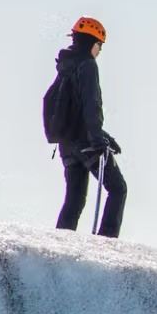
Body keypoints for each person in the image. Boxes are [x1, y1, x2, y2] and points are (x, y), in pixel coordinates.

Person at [47, 16, 126, 236]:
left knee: (75, 198)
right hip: (86, 142)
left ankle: (60, 244)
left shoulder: (65, 66)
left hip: (66, 143)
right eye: (100, 45)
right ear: (91, 42)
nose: (100, 50)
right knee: (118, 189)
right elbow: (91, 105)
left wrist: (105, 135)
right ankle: (107, 243)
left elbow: (74, 110)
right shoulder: (88, 65)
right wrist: (98, 139)